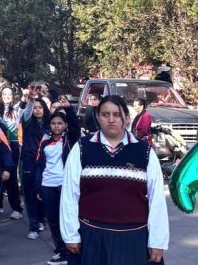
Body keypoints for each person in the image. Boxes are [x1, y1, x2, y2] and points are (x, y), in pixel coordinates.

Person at [60, 95, 169, 265]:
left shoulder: (145, 151)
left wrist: (157, 241)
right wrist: (70, 235)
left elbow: (157, 200)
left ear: (126, 117)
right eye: (105, 114)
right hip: (92, 238)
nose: (111, 120)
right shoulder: (82, 148)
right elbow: (69, 194)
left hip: (134, 239)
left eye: (117, 114)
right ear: (97, 117)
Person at [35, 111, 80, 265]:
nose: (56, 126)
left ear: (65, 125)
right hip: (47, 184)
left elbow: (75, 128)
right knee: (53, 220)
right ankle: (61, 251)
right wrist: (38, 188)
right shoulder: (45, 141)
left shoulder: (70, 139)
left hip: (64, 185)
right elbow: (39, 165)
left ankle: (71, 250)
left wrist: (68, 108)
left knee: (67, 219)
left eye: (60, 123)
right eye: (53, 123)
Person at [20, 97, 49, 239]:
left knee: (42, 193)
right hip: (29, 161)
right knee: (30, 194)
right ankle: (34, 226)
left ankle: (41, 218)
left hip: (45, 163)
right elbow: (26, 114)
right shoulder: (28, 121)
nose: (37, 110)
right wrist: (30, 101)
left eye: (40, 107)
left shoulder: (50, 123)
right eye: (35, 107)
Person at [0, 86, 23, 218]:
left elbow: (25, 108)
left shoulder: (17, 110)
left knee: (10, 175)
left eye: (9, 94)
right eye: (4, 94)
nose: (7, 96)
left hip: (13, 145)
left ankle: (16, 208)